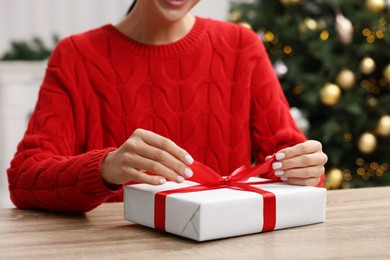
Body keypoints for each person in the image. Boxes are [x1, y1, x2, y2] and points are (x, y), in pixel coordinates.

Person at [7, 0, 328, 213]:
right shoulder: (76, 56)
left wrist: (305, 168)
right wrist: (105, 168)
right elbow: (23, 179)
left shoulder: (242, 48)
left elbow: (292, 159)